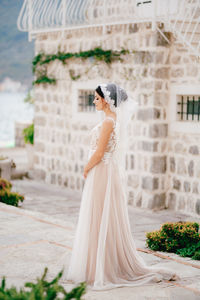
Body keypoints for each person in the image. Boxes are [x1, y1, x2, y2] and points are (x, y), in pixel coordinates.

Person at [66, 83, 180, 290]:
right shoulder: (112, 120)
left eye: (97, 99)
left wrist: (85, 168)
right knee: (101, 218)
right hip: (105, 171)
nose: (94, 102)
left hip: (101, 171)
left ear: (107, 101)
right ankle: (98, 266)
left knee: (99, 217)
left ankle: (101, 269)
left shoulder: (109, 121)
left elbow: (99, 153)